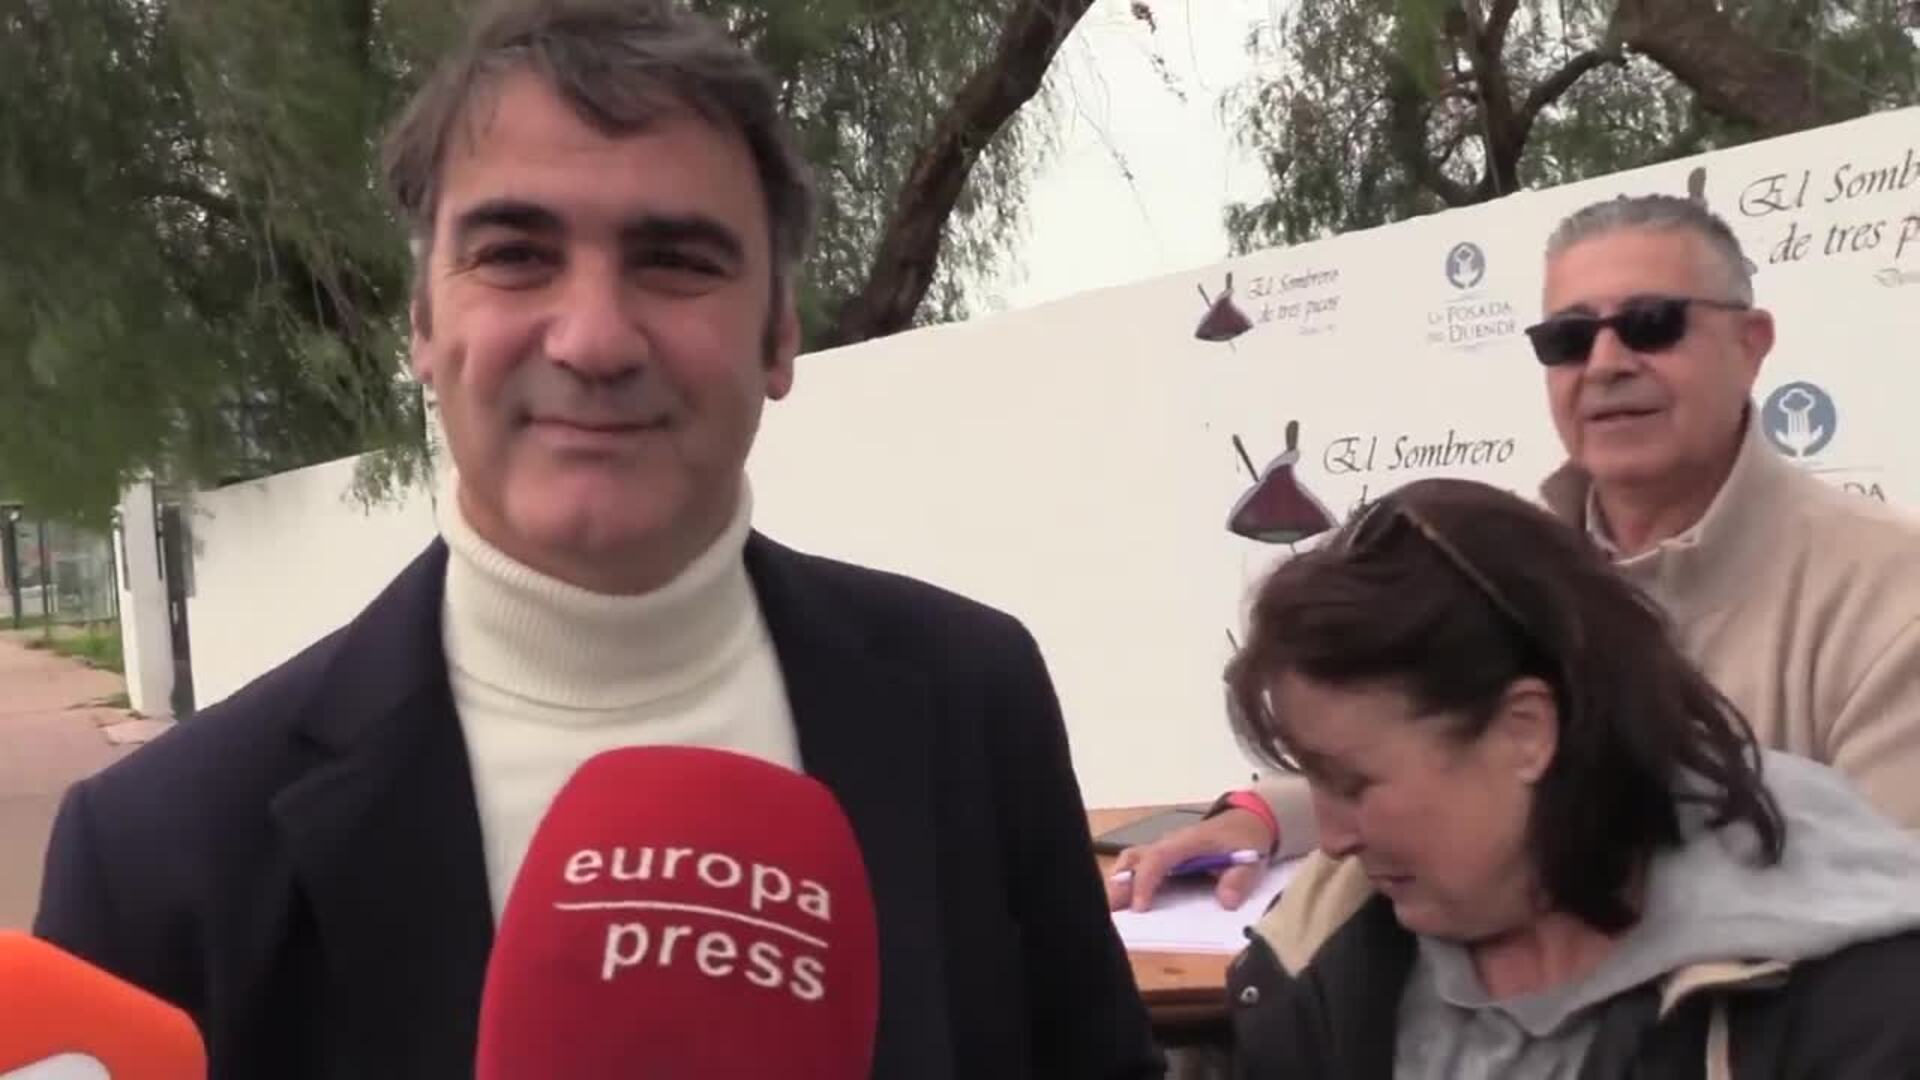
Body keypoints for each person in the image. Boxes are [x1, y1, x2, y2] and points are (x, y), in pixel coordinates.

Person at [31, 3, 1162, 1077]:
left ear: (778, 335)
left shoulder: (974, 703)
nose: (594, 339)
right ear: (422, 325)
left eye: (676, 261)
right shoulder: (161, 853)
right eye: (515, 255)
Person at [1110, 193, 1920, 914]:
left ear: (1751, 343)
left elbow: (1883, 913)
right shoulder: (1496, 569)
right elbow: (1413, 747)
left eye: (1652, 325)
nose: (1606, 364)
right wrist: (1256, 818)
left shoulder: (1892, 596)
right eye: (1568, 339)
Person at [1222, 478, 1920, 1078]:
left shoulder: (1855, 1001)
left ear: (1525, 731)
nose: (1334, 839)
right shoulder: (1321, 964)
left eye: (1354, 784)